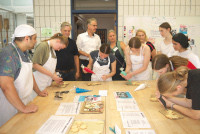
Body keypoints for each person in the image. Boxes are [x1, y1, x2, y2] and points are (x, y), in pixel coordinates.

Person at [0, 24, 47, 127]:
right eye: (34, 39)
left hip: (23, 102)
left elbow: (29, 74)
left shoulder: (25, 53)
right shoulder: (9, 54)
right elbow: (6, 86)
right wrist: (24, 108)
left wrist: (38, 91)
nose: (36, 41)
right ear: (26, 39)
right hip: (9, 105)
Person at [32, 33, 68, 98]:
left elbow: (51, 68)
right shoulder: (43, 46)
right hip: (38, 84)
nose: (59, 49)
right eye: (59, 47)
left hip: (46, 84)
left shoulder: (52, 50)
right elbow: (35, 65)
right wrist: (52, 75)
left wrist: (56, 77)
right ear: (58, 41)